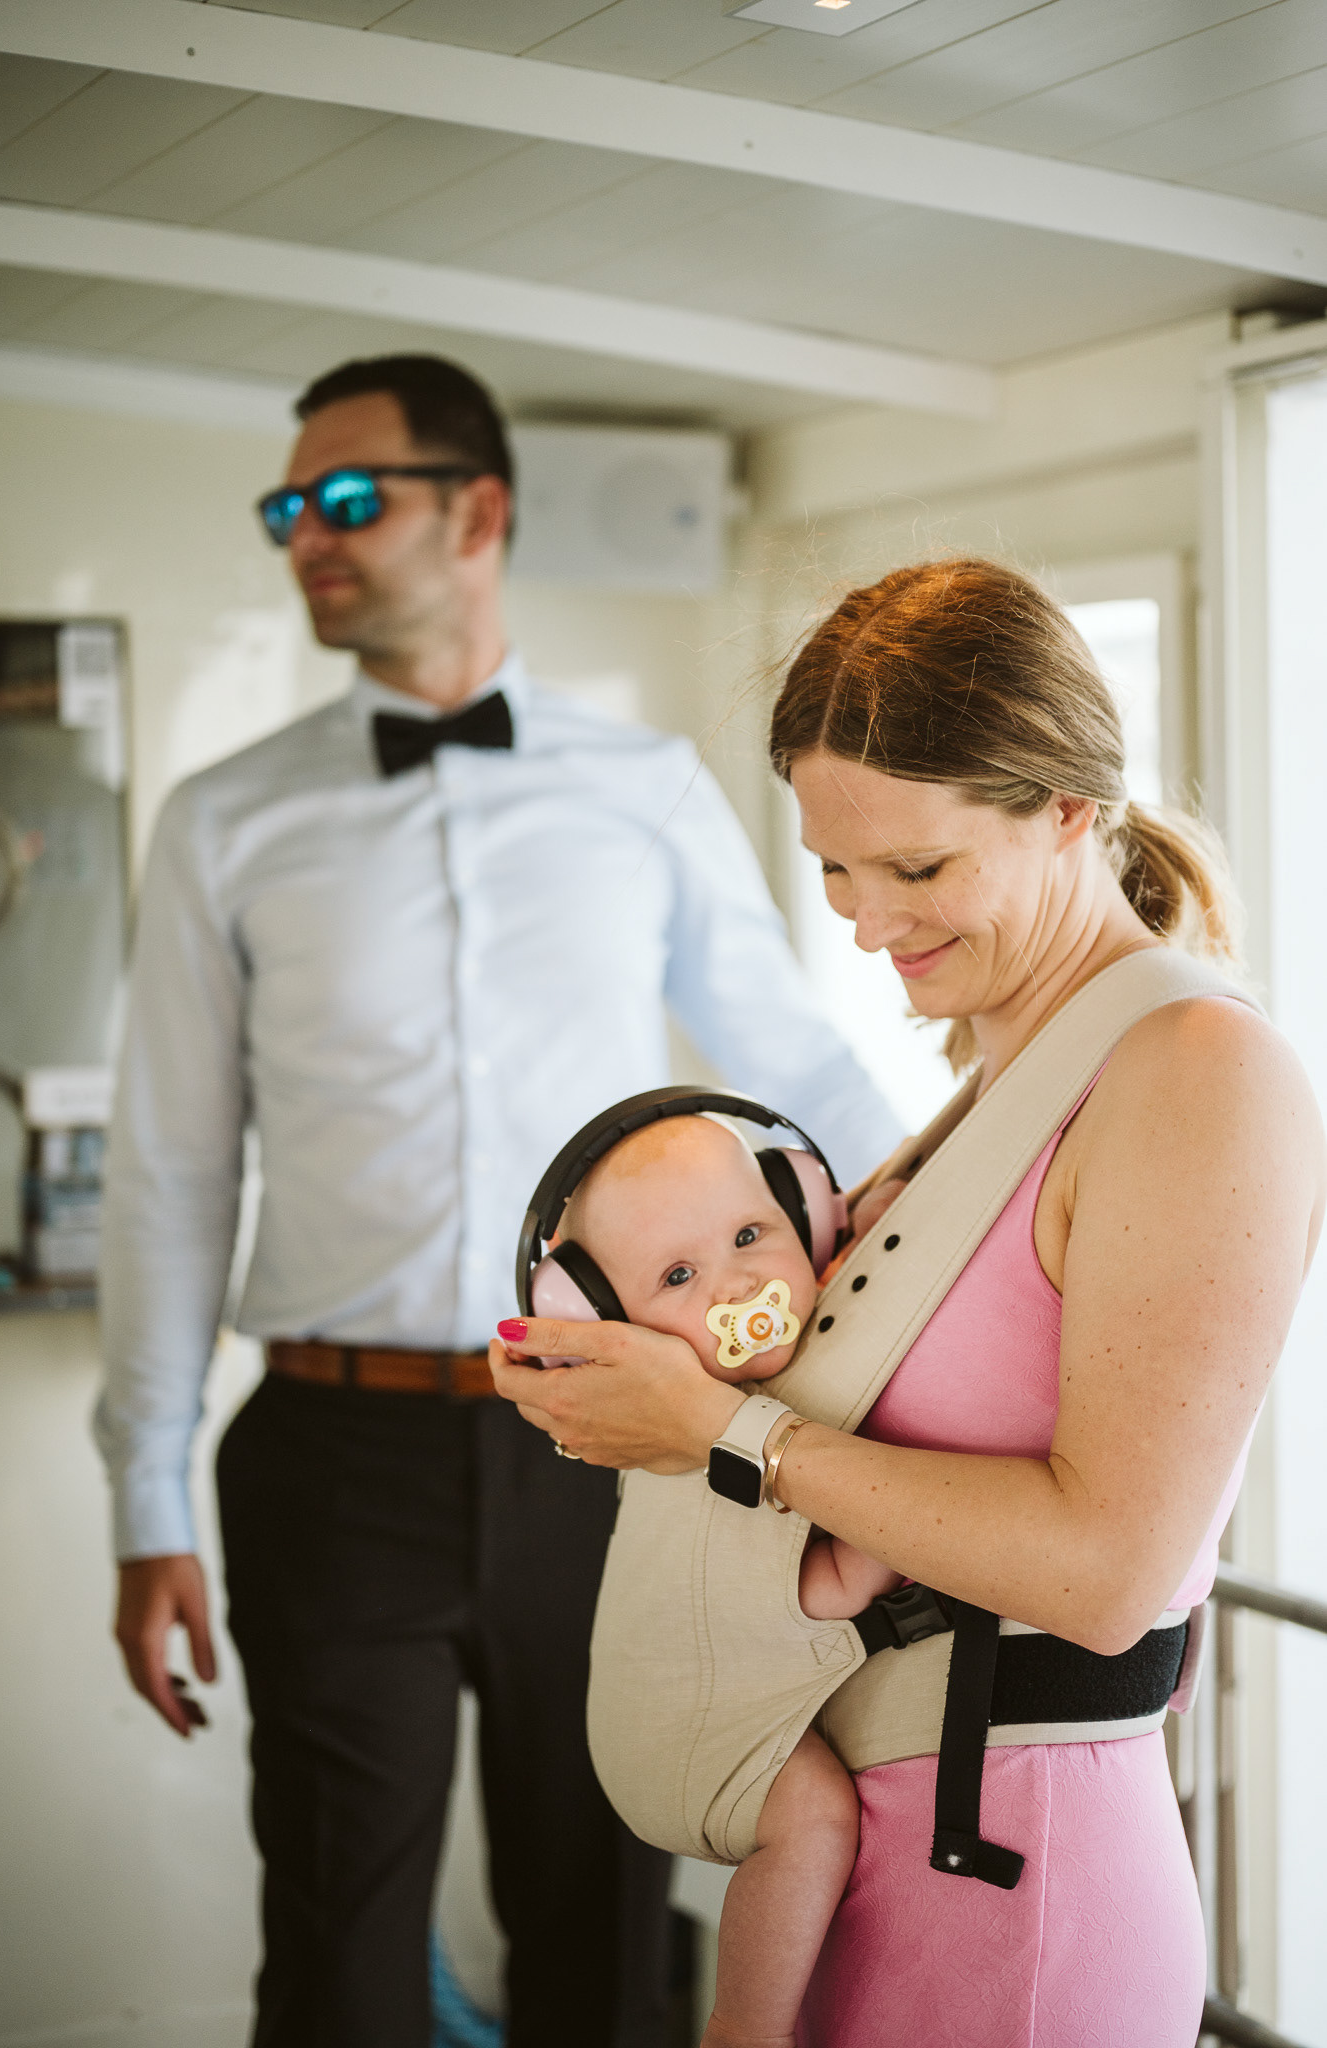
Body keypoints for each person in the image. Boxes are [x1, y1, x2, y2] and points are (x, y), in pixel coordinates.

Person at [93, 351, 900, 2048]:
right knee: (337, 1952)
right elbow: (168, 1167)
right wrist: (143, 1498)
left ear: (477, 513)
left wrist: (941, 1284)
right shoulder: (222, 821)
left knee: (602, 1927)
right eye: (286, 507)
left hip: (615, 1444)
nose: (305, 536)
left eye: (345, 499)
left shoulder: (646, 787)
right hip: (334, 1453)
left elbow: (797, 1074)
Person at [491, 556, 1325, 2048]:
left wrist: (720, 1431)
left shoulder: (1198, 1072)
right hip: (881, 1866)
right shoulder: (1002, 1073)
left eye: (919, 870)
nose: (868, 923)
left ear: (1067, 808)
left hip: (1011, 1885)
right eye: (833, 869)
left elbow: (1109, 1571)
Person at [543, 1109, 899, 2045]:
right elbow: (815, 1595)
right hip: (673, 1732)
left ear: (806, 1219)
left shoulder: (777, 1349)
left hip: (699, 1694)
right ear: (610, 1332)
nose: (738, 1284)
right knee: (815, 1818)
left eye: (750, 1234)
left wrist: (877, 1236)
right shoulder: (679, 1442)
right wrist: (899, 1532)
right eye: (677, 1277)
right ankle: (743, 2027)